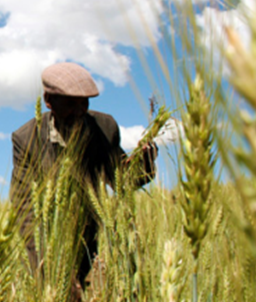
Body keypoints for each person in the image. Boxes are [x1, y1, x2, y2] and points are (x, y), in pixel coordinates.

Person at [9, 62, 157, 288]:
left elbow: (122, 181)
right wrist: (51, 269)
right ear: (49, 101)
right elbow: (24, 206)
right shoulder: (26, 139)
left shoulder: (104, 127)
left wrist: (144, 165)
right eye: (70, 104)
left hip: (92, 242)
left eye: (84, 103)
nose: (79, 112)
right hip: (47, 245)